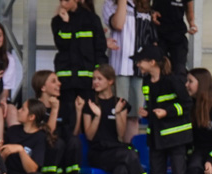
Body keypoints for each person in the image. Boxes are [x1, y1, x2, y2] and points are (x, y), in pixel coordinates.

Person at [135, 44, 192, 174]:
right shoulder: (146, 82)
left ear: (152, 62)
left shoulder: (173, 80)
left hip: (176, 138)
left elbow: (187, 105)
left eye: (140, 61)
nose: (138, 65)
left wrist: (166, 112)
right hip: (156, 138)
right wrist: (148, 113)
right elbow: (154, 107)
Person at [82, 64, 150, 174]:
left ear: (110, 81)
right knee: (129, 155)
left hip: (115, 149)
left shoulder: (120, 103)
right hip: (98, 152)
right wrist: (98, 116)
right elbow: (89, 136)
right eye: (94, 79)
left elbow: (121, 134)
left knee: (122, 170)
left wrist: (119, 113)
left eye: (99, 79)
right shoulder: (90, 104)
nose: (95, 82)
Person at [52, 0, 108, 120]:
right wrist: (66, 23)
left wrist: (99, 76)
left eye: (66, 0)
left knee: (88, 117)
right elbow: (62, 45)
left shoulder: (92, 19)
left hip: (87, 81)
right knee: (69, 119)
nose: (63, 3)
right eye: (61, 0)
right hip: (67, 81)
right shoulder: (57, 21)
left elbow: (100, 49)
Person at [0, 99, 52, 174]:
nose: (18, 111)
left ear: (31, 117)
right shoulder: (13, 131)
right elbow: (0, 160)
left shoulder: (40, 137)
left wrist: (20, 150)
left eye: (22, 109)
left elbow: (32, 169)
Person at [102, 0, 148, 141]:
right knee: (120, 113)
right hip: (120, 67)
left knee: (134, 116)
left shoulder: (143, 4)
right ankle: (119, 148)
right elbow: (118, 24)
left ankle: (130, 149)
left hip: (139, 69)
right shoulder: (110, 3)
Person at [32, 70, 82, 174]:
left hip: (64, 155)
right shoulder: (35, 107)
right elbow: (48, 132)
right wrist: (54, 109)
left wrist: (79, 111)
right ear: (42, 87)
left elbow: (73, 133)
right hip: (44, 153)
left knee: (74, 141)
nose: (59, 84)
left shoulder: (64, 106)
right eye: (54, 81)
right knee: (56, 142)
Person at [151, 0, 196, 77]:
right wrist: (151, 12)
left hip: (178, 34)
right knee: (160, 66)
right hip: (159, 34)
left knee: (179, 67)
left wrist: (192, 24)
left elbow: (189, 10)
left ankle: (179, 86)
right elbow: (144, 4)